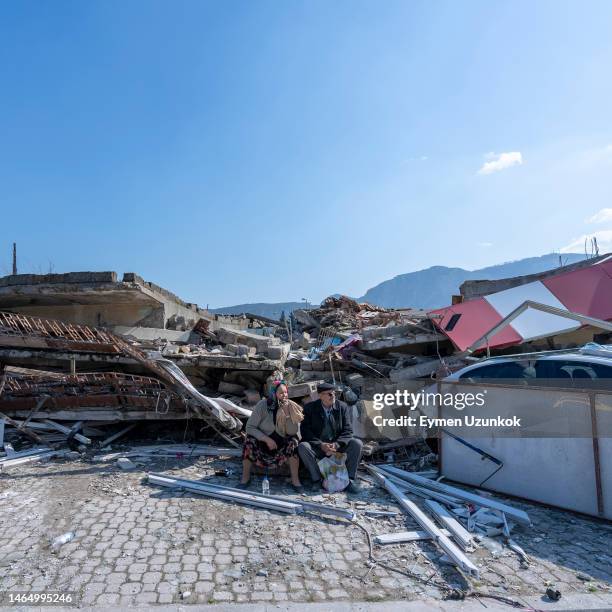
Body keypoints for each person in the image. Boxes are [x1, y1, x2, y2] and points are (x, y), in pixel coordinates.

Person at [238, 379, 304, 492]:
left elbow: (292, 432)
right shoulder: (262, 405)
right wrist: (266, 439)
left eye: (286, 392)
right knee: (249, 442)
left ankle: (295, 481)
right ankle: (245, 479)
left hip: (281, 444)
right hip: (262, 443)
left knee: (293, 442)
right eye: (281, 393)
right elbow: (249, 427)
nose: (285, 395)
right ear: (274, 393)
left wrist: (288, 414)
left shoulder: (290, 406)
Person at [298, 382, 363, 493]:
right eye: (329, 394)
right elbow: (305, 432)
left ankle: (350, 480)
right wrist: (321, 445)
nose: (332, 396)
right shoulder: (310, 408)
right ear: (320, 395)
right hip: (319, 447)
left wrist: (337, 445)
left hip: (337, 446)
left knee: (357, 443)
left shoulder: (342, 407)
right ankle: (317, 480)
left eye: (333, 393)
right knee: (303, 447)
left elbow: (348, 431)